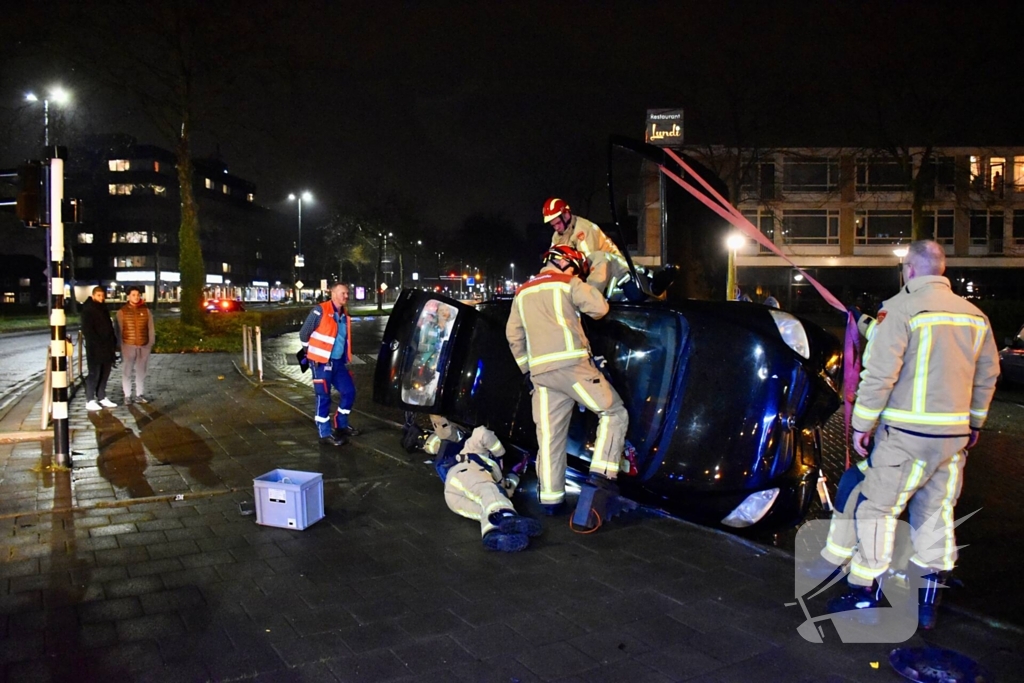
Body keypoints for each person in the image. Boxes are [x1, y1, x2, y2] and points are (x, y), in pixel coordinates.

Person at [817, 240, 999, 630]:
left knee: (877, 510)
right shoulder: (974, 316)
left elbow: (880, 374)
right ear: (941, 269)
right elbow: (987, 376)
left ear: (910, 271)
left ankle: (864, 590)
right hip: (951, 440)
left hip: (904, 438)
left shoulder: (900, 310)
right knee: (936, 514)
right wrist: (975, 424)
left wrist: (861, 426)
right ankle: (928, 598)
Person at [505, 244, 628, 517]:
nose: (576, 272)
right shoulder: (568, 283)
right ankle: (601, 476)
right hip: (573, 368)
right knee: (614, 412)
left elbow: (513, 335)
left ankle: (551, 501)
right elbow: (600, 309)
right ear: (565, 262)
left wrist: (526, 370)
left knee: (549, 438)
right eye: (575, 267)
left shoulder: (522, 291)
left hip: (541, 376)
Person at [432, 423, 542, 552]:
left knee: (487, 510)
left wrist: (514, 476)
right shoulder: (473, 450)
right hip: (464, 473)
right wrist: (499, 452)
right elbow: (481, 432)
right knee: (489, 491)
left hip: (453, 497)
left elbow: (504, 493)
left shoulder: (495, 478)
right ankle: (506, 516)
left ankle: (493, 534)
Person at [298, 282, 360, 447]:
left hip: (338, 362)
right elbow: (304, 333)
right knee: (323, 397)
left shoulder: (344, 314)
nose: (346, 296)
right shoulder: (320, 310)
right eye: (342, 293)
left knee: (349, 391)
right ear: (332, 293)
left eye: (347, 293)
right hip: (321, 362)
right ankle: (324, 433)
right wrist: (309, 352)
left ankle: (341, 424)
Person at [542, 197, 630, 297]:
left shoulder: (584, 229)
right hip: (599, 275)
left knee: (588, 299)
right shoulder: (557, 236)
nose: (556, 228)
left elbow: (588, 264)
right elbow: (554, 262)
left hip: (613, 275)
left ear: (566, 215)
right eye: (553, 225)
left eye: (558, 223)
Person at [80, 286, 118, 411]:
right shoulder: (88, 310)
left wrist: (113, 342)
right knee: (94, 374)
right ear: (93, 295)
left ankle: (101, 396)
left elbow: (109, 326)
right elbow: (88, 330)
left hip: (107, 348)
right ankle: (90, 399)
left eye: (103, 295)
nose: (101, 298)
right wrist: (97, 343)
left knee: (105, 373)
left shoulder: (103, 308)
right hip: (95, 349)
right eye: (99, 295)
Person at [116, 285, 155, 404]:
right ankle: (127, 395)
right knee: (127, 371)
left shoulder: (146, 311)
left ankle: (139, 394)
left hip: (143, 346)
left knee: (141, 371)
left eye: (138, 295)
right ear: (128, 296)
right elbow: (119, 330)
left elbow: (150, 328)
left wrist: (150, 343)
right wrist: (121, 345)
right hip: (128, 345)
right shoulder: (121, 312)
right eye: (133, 295)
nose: (136, 297)